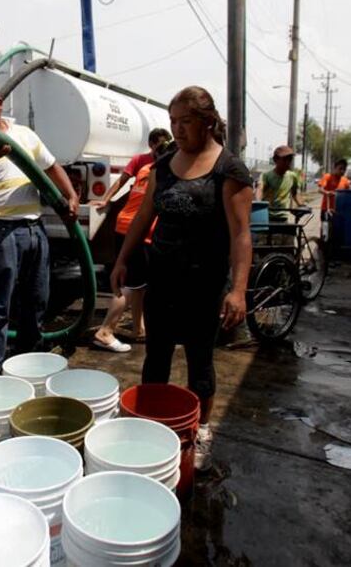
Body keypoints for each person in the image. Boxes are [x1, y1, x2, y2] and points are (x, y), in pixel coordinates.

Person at [112, 86, 253, 472]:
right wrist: (122, 259)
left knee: (199, 360)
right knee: (155, 355)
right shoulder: (163, 166)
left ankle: (201, 430)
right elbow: (142, 217)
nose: (177, 130)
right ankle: (152, 428)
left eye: (185, 122)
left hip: (204, 286)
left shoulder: (229, 170)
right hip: (161, 280)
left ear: (208, 122)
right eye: (172, 122)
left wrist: (238, 290)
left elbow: (241, 234)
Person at [0, 78, 80, 380]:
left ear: (0, 102)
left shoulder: (24, 134)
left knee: (36, 303)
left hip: (34, 230)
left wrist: (71, 195)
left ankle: (28, 366)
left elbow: (50, 167)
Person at [92, 139, 172, 352]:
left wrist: (106, 201)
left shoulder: (147, 168)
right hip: (140, 231)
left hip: (123, 224)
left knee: (138, 284)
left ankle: (139, 328)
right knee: (129, 285)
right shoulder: (165, 173)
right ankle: (105, 331)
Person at [91, 128, 172, 211]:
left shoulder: (170, 161)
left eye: (166, 146)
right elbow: (120, 181)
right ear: (151, 144)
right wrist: (105, 200)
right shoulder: (139, 160)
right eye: (161, 145)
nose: (164, 149)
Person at [260, 145, 303, 223]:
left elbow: (295, 193)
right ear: (275, 160)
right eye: (285, 159)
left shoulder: (292, 176)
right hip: (267, 216)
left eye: (290, 159)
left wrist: (302, 206)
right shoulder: (266, 176)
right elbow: (259, 190)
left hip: (283, 216)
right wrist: (257, 204)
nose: (288, 162)